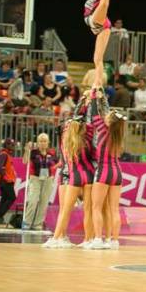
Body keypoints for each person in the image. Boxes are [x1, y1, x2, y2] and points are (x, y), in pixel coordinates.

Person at [46, 97, 97, 248]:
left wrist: (81, 103)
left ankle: (57, 238)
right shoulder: (87, 139)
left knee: (66, 210)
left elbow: (71, 123)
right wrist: (89, 101)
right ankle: (88, 240)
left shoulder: (65, 143)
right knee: (88, 210)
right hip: (89, 174)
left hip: (74, 176)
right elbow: (90, 124)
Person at [88, 88, 126, 250]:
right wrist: (102, 98)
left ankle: (98, 239)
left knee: (96, 207)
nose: (106, 116)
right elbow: (103, 113)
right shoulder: (118, 134)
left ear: (110, 121)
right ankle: (114, 240)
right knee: (114, 209)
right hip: (117, 172)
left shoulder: (103, 129)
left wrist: (94, 96)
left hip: (104, 170)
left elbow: (94, 114)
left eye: (109, 116)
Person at [83, 0, 124, 88]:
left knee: (104, 2)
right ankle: (98, 82)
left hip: (99, 22)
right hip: (98, 27)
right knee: (97, 59)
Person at [22, 133, 58, 231]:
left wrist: (53, 170)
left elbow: (58, 163)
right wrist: (26, 150)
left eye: (45, 141)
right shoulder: (33, 152)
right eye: (41, 141)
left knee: (44, 202)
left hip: (48, 179)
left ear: (48, 142)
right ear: (38, 142)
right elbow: (25, 162)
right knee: (33, 200)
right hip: (35, 178)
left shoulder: (52, 153)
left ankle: (38, 223)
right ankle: (27, 222)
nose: (43, 143)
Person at [0, 138, 17, 225]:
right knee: (12, 197)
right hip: (5, 181)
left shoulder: (7, 155)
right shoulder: (4, 154)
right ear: (6, 145)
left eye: (13, 145)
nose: (12, 146)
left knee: (4, 199)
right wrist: (6, 177)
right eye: (10, 144)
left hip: (5, 181)